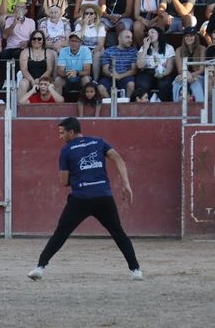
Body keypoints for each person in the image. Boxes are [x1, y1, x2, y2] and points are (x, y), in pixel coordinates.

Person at [27, 117, 143, 281]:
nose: (60, 137)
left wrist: (76, 176)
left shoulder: (66, 150)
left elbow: (63, 182)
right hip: (103, 197)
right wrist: (126, 184)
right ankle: (136, 270)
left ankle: (40, 267)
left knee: (61, 233)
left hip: (80, 199)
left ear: (71, 132)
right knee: (118, 233)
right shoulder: (99, 142)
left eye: (62, 133)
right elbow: (117, 158)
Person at [134, 27, 176, 102]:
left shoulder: (168, 47)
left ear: (158, 34)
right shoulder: (144, 48)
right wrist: (145, 48)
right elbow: (140, 65)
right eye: (148, 33)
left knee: (164, 85)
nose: (150, 34)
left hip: (163, 72)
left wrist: (162, 74)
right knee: (142, 84)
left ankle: (164, 106)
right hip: (148, 72)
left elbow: (170, 67)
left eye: (152, 32)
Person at [100, 29, 138, 99]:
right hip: (110, 77)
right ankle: (110, 103)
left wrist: (120, 76)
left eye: (131, 38)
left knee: (131, 85)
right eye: (127, 37)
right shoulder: (109, 51)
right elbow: (105, 69)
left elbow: (134, 70)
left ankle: (126, 106)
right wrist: (112, 74)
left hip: (126, 76)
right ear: (119, 38)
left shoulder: (134, 52)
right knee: (100, 87)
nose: (130, 40)